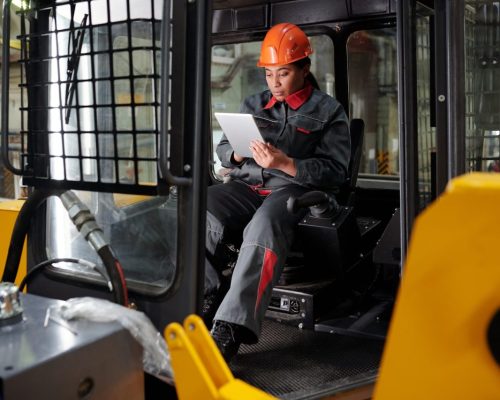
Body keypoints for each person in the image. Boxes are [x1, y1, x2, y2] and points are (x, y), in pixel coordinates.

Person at [204, 23, 351, 362]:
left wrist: (287, 163)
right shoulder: (253, 102)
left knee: (262, 228)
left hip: (291, 190)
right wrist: (237, 153)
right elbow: (224, 149)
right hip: (246, 185)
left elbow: (336, 171)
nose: (274, 82)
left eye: (283, 73)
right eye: (269, 74)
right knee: (200, 207)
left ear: (304, 69)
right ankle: (205, 298)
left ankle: (230, 327)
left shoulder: (328, 112)